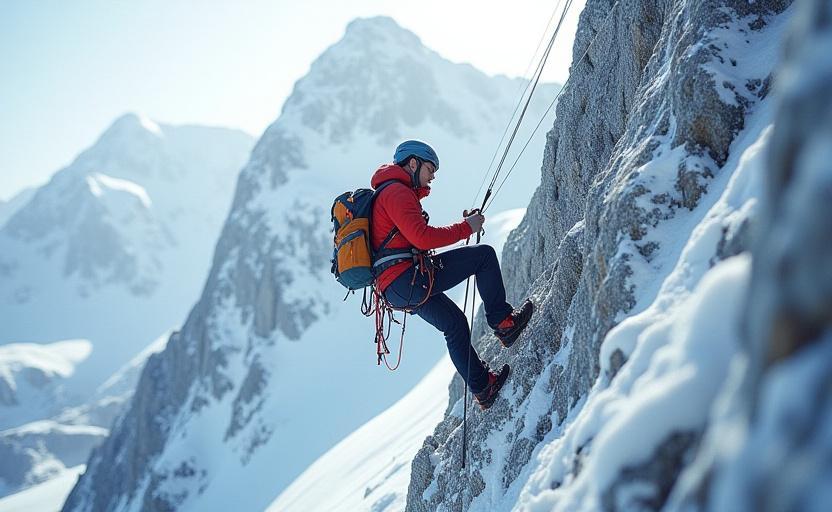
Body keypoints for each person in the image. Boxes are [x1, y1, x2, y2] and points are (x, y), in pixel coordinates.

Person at [370, 140, 534, 410]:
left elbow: (411, 239)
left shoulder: (390, 193)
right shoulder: (397, 193)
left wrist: (464, 226)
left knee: (455, 324)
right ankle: (503, 323)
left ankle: (484, 388)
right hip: (407, 277)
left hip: (397, 287)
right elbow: (422, 238)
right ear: (413, 163)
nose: (432, 176)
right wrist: (466, 228)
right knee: (483, 256)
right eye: (430, 168)